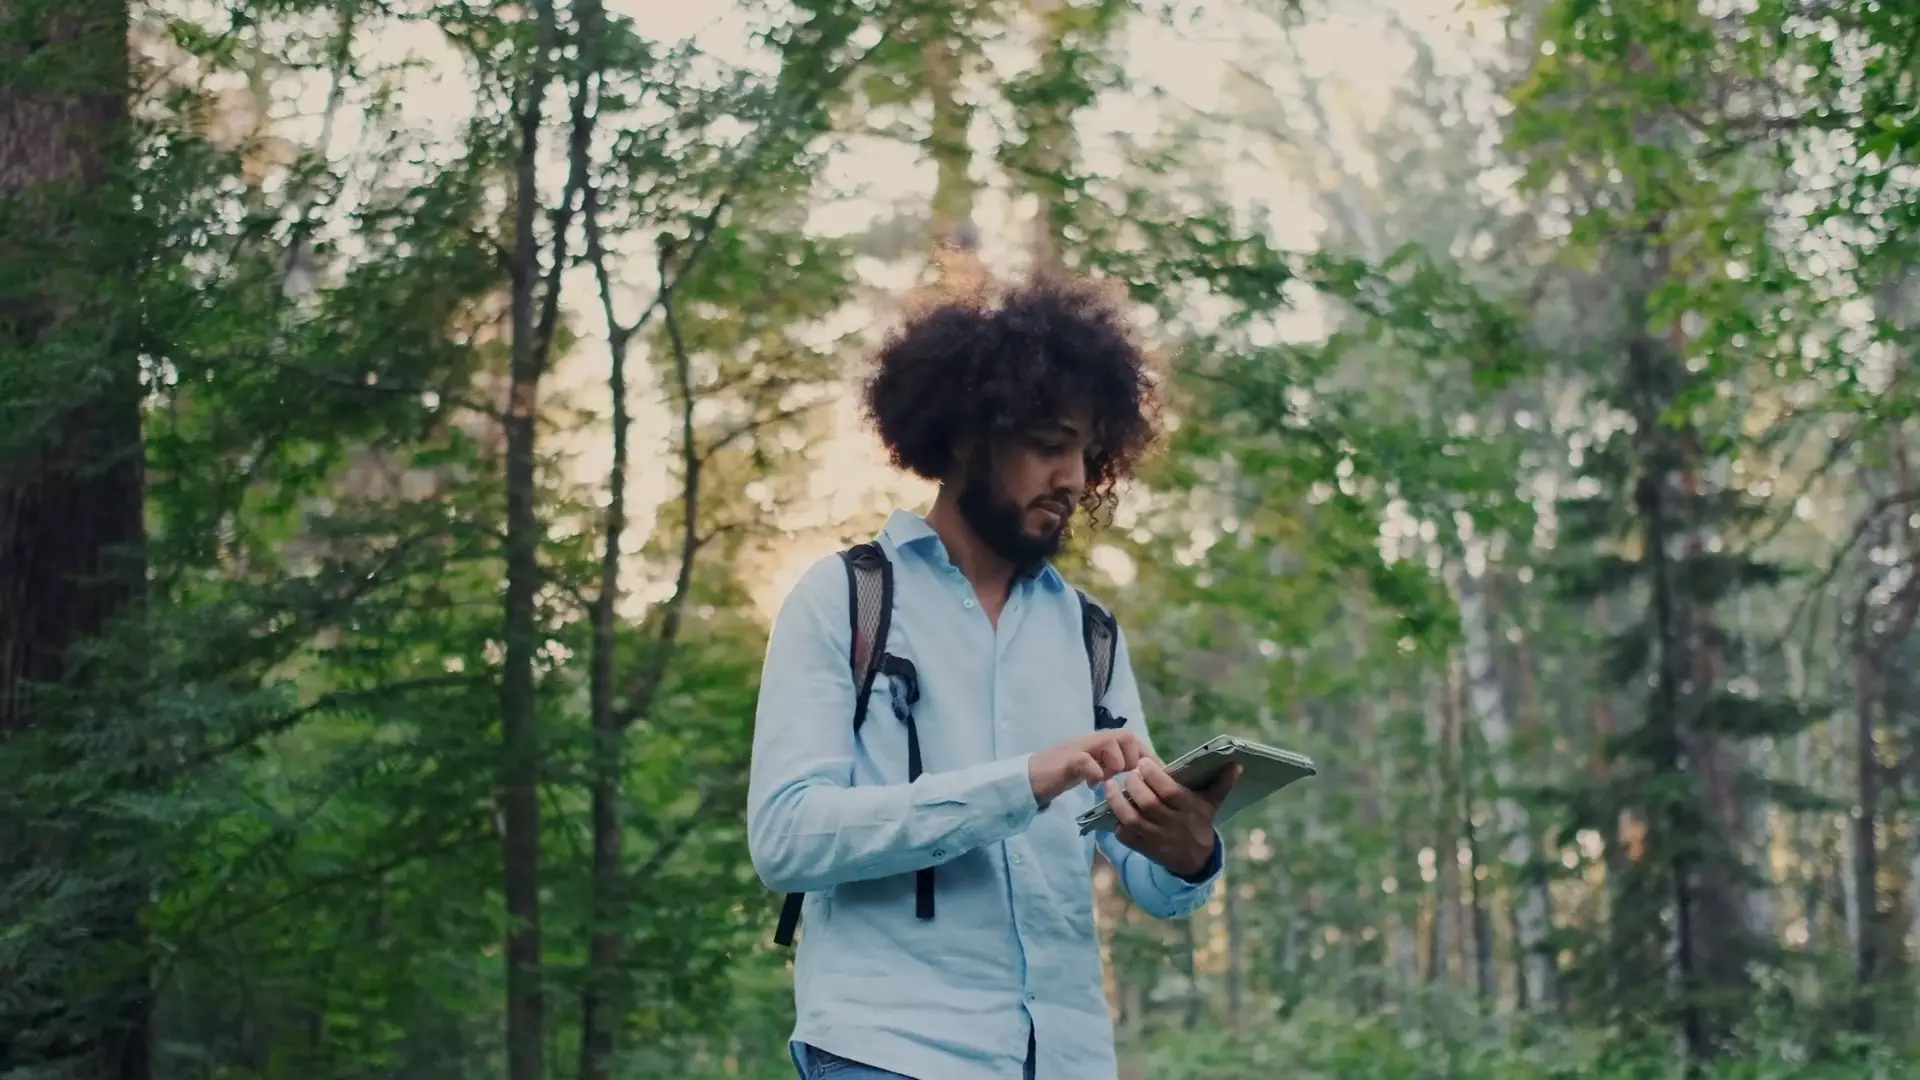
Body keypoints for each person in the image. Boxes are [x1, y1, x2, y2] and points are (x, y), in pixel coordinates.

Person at [746, 270, 1240, 1080]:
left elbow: (1152, 882)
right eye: (1048, 447)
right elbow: (788, 839)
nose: (1074, 480)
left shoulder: (1090, 634)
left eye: (1086, 453)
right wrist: (1022, 783)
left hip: (1067, 1058)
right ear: (969, 437)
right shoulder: (845, 598)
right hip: (887, 1052)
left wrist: (1188, 850)